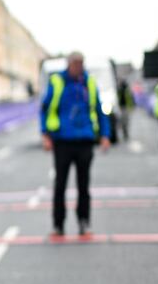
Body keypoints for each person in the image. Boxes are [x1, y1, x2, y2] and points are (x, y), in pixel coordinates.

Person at [39, 51, 110, 236]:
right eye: (76, 64)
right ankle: (58, 224)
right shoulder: (57, 81)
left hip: (85, 140)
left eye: (81, 63)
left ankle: (84, 222)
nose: (79, 67)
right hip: (62, 141)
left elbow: (99, 110)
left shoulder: (90, 82)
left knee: (84, 185)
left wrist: (105, 135)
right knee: (60, 185)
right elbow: (45, 109)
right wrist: (45, 134)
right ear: (69, 64)